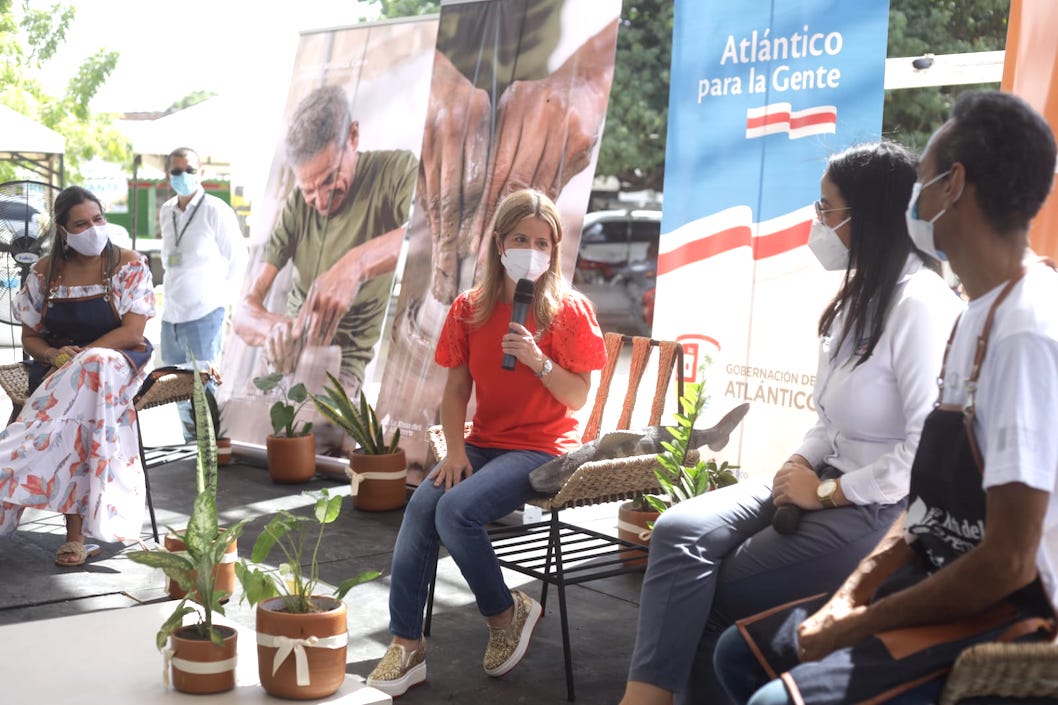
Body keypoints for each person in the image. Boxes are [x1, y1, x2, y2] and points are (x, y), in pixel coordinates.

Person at [713, 90, 1058, 705]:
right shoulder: (973, 312)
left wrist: (858, 621)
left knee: (770, 697)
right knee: (739, 654)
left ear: (952, 186)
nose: (910, 204)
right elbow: (927, 507)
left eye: (918, 183)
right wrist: (849, 599)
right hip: (938, 570)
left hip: (1009, 614)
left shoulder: (1027, 332)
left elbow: (1008, 563)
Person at [619, 142, 965, 705]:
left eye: (827, 208)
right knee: (678, 533)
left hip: (879, 508)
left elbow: (922, 456)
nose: (818, 221)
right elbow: (828, 417)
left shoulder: (921, 306)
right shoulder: (861, 297)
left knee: (716, 588)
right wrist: (803, 460)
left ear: (870, 215)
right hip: (819, 476)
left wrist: (826, 493)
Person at [364, 189, 606, 697]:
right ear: (499, 243)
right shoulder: (468, 309)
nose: (532, 250)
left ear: (554, 250)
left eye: (543, 242)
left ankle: (504, 616)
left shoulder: (570, 310)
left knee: (456, 512)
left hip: (544, 448)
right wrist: (454, 452)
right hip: (483, 442)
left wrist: (539, 359)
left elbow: (579, 397)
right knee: (423, 506)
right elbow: (455, 392)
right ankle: (406, 645)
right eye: (521, 238)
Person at [0, 186, 156, 567]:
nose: (94, 228)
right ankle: (75, 536)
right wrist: (54, 355)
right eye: (82, 223)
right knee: (77, 416)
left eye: (98, 219)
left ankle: (12, 459)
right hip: (60, 372)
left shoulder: (128, 264)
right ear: (62, 230)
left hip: (118, 364)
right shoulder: (43, 273)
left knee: (96, 364)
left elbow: (133, 332)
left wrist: (82, 356)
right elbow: (31, 336)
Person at [233, 85, 418, 399]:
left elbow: (429, 231)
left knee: (314, 434)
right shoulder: (295, 206)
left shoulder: (394, 172)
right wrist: (276, 330)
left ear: (353, 137)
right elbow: (242, 313)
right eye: (309, 189)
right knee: (241, 430)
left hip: (341, 368)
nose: (320, 200)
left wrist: (355, 265)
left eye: (330, 179)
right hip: (279, 364)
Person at [158, 147, 246, 437]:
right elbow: (170, 260)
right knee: (175, 386)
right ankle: (189, 446)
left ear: (201, 173)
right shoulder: (166, 210)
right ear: (168, 174)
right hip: (171, 315)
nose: (183, 176)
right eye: (177, 171)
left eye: (189, 170)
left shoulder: (215, 210)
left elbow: (238, 261)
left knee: (205, 386)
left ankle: (211, 449)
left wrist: (227, 307)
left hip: (206, 313)